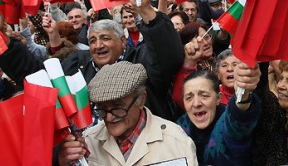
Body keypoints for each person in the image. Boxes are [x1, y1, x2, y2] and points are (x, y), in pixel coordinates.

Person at [0, 0, 184, 121]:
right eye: (93, 40)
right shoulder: (77, 64)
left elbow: (169, 54)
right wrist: (5, 43)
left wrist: (146, 11)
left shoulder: (141, 61)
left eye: (105, 38)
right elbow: (38, 81)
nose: (98, 45)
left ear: (122, 41)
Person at [58, 61, 198, 166]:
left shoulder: (175, 141)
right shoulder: (88, 142)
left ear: (141, 99)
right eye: (102, 109)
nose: (109, 117)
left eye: (117, 107)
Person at [177, 65, 262, 166]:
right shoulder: (177, 130)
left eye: (204, 96)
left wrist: (243, 93)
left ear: (218, 98)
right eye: (189, 98)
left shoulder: (228, 121)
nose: (196, 103)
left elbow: (239, 116)